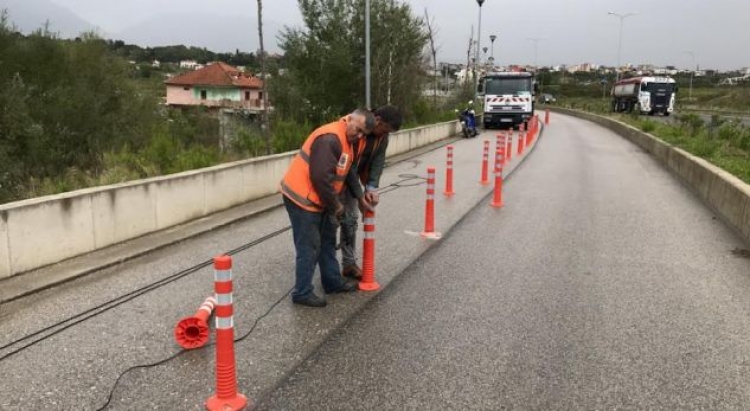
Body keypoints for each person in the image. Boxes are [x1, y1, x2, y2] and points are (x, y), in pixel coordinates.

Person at [280, 109, 375, 307]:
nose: (359, 136)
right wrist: (337, 207)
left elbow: (346, 173)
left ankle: (332, 281)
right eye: (357, 130)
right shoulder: (330, 139)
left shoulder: (348, 142)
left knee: (327, 239)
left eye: (362, 134)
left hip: (319, 199)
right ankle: (302, 292)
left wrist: (355, 200)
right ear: (349, 119)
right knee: (310, 245)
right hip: (302, 199)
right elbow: (321, 179)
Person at [339, 105, 403, 280]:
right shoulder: (357, 128)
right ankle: (326, 266)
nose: (385, 134)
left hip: (352, 178)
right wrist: (360, 196)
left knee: (350, 220)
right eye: (386, 129)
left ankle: (348, 264)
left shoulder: (382, 137)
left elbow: (378, 162)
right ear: (378, 120)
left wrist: (372, 187)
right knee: (331, 222)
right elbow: (349, 166)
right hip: (337, 177)